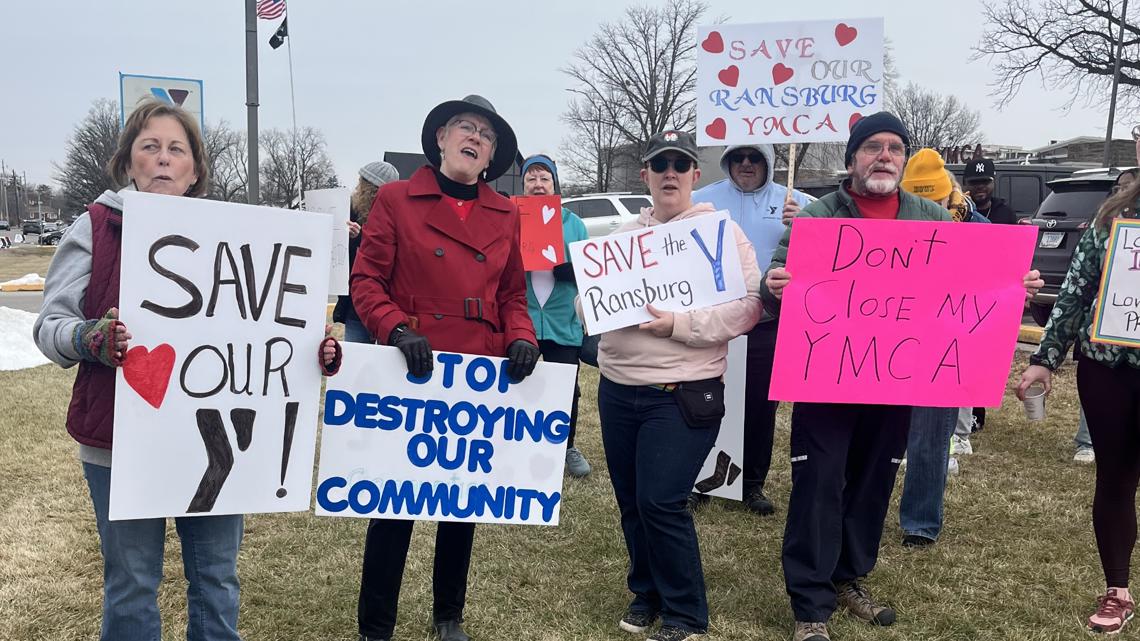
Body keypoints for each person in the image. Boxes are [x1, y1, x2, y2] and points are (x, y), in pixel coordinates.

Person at [32, 98, 341, 641]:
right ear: (129, 161)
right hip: (118, 443)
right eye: (149, 147)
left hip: (216, 441)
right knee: (131, 582)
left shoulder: (239, 235)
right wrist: (89, 338)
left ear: (195, 169)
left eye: (176, 149)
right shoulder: (96, 226)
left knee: (217, 580)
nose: (163, 159)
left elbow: (268, 332)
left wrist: (311, 354)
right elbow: (49, 325)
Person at [762, 114, 1043, 641]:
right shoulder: (820, 217)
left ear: (904, 159)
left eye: (894, 148)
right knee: (818, 484)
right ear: (852, 159)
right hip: (826, 377)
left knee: (873, 480)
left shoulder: (930, 217)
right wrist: (772, 284)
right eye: (872, 148)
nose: (884, 156)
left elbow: (973, 279)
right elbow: (776, 280)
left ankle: (849, 577)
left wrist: (1013, 282)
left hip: (897, 379)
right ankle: (811, 605)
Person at [350, 94, 540, 641]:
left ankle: (448, 616)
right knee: (394, 504)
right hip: (411, 365)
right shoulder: (394, 199)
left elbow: (511, 294)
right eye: (465, 127)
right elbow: (366, 282)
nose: (474, 137)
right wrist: (395, 328)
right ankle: (376, 625)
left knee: (461, 503)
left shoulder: (506, 212)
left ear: (491, 157)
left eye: (486, 135)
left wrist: (521, 339)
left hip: (474, 370)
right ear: (440, 138)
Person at [592, 130, 762, 641]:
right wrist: (601, 304)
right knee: (632, 499)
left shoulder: (723, 235)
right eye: (659, 164)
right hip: (618, 389)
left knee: (662, 500)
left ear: (694, 176)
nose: (670, 172)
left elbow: (749, 307)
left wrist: (678, 326)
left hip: (684, 392)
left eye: (680, 164)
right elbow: (586, 306)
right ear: (644, 175)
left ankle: (686, 613)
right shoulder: (621, 239)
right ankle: (646, 591)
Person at [1018, 139, 1140, 635]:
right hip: (1107, 365)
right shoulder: (1114, 216)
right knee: (1115, 478)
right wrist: (1045, 358)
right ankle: (1117, 590)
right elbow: (1076, 288)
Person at [692, 143, 811, 516]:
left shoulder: (797, 202)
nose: (746, 164)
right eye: (739, 157)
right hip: (716, 321)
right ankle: (701, 479)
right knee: (704, 402)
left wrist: (806, 223)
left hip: (767, 321)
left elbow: (830, 246)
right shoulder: (701, 199)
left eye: (755, 157)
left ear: (769, 163)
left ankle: (751, 484)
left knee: (761, 405)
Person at [896, 150, 989, 549]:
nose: (925, 210)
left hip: (944, 344)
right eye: (918, 201)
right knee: (878, 433)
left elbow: (998, 279)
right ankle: (858, 509)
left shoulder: (978, 228)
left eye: (933, 201)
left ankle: (920, 523)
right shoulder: (891, 221)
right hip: (890, 336)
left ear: (949, 194)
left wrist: (1022, 282)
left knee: (931, 437)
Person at [519, 154, 592, 477]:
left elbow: (591, 270)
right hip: (524, 319)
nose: (538, 184)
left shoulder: (573, 224)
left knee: (566, 386)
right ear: (523, 186)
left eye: (544, 178)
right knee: (520, 381)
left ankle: (567, 446)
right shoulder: (511, 218)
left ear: (554, 183)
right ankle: (520, 443)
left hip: (563, 320)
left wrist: (573, 270)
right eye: (531, 179)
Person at [332, 161, 401, 343]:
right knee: (354, 358)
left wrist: (360, 237)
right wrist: (346, 237)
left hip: (384, 304)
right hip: (357, 303)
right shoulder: (347, 211)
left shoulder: (394, 217)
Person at [963, 157, 1016, 224]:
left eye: (985, 181)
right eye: (974, 182)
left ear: (993, 182)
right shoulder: (956, 212)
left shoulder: (1006, 213)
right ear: (964, 184)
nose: (980, 186)